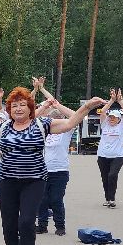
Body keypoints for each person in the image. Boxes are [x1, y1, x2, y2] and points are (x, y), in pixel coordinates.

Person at [0, 84, 99, 245]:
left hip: (34, 181)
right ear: (9, 110)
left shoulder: (42, 124)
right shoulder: (3, 127)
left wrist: (87, 106)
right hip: (8, 182)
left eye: (22, 105)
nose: (18, 109)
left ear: (30, 107)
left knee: (27, 222)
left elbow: (70, 123)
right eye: (14, 106)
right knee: (9, 225)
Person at [35, 97, 72, 236]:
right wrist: (44, 106)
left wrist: (58, 105)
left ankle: (60, 226)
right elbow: (31, 119)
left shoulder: (66, 132)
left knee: (56, 199)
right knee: (42, 199)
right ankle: (42, 225)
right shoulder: (45, 131)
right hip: (43, 170)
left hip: (60, 171)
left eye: (57, 120)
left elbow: (74, 116)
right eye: (52, 120)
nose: (54, 123)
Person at [96, 89, 123, 206]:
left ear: (119, 119)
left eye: (114, 117)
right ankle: (108, 199)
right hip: (102, 156)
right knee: (105, 178)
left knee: (112, 175)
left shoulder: (121, 126)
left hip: (117, 156)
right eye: (110, 117)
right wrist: (111, 100)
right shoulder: (104, 124)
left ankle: (112, 199)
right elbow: (102, 111)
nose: (111, 119)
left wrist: (120, 101)